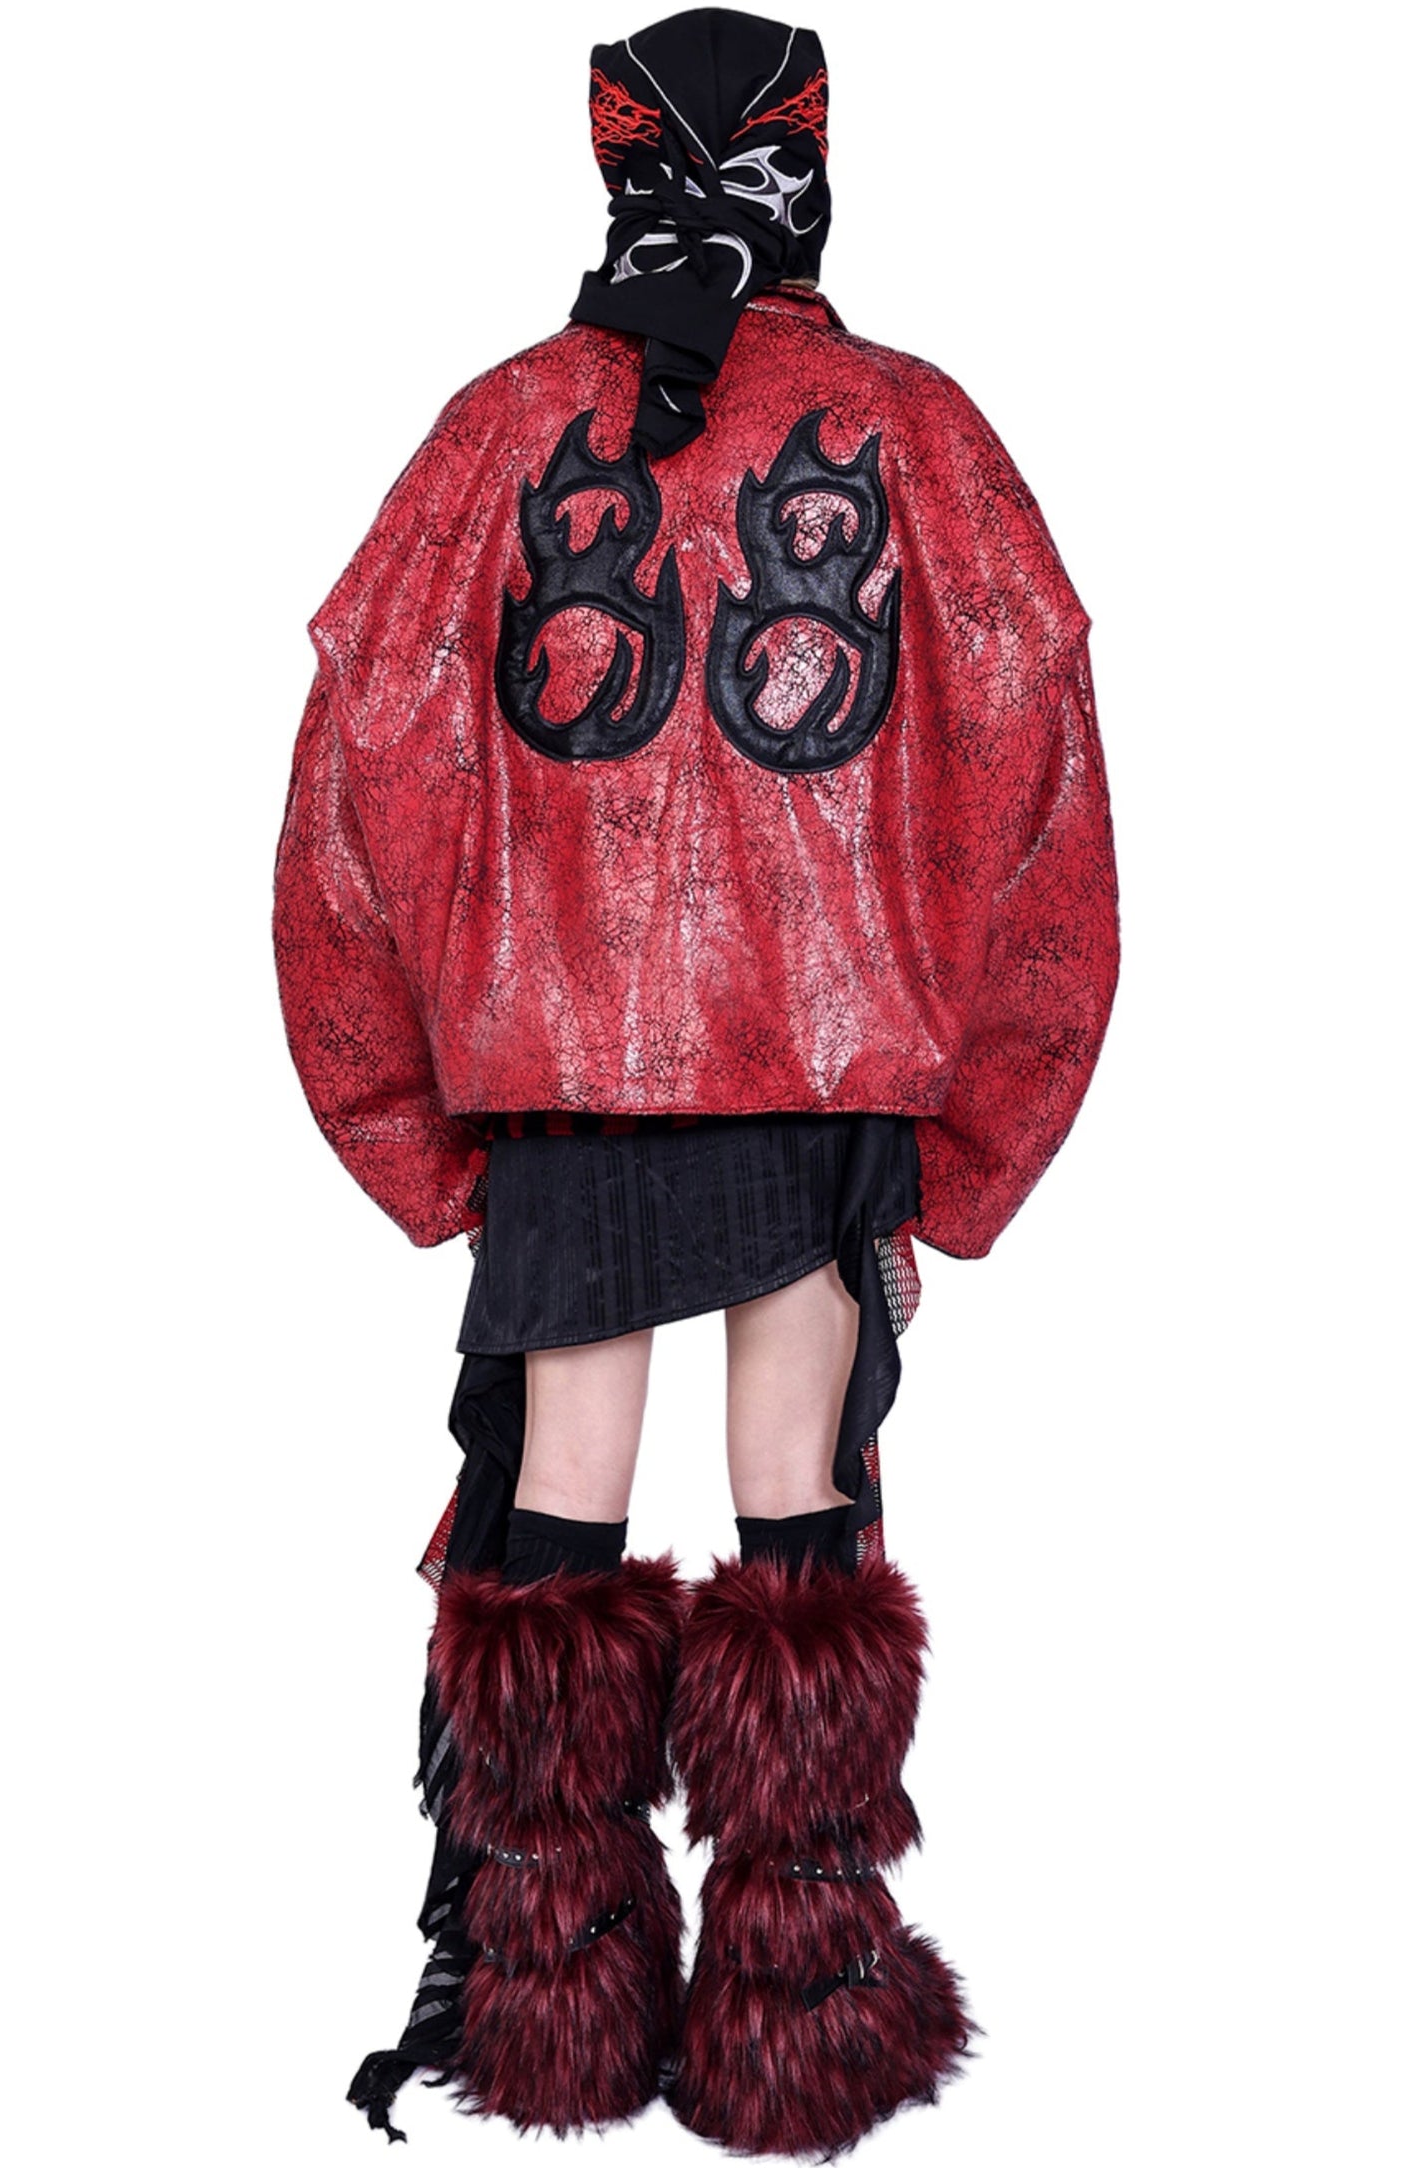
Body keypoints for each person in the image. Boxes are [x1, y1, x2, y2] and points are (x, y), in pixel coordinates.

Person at [272, 6, 1120, 2154]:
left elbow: (360, 769)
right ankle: (800, 2003)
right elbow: (1036, 775)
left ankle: (545, 1999)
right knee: (796, 1500)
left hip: (563, 1087)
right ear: (817, 172)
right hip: (823, 1086)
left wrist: (416, 1127)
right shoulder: (918, 432)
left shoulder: (497, 431)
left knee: (559, 1491)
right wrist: (972, 1144)